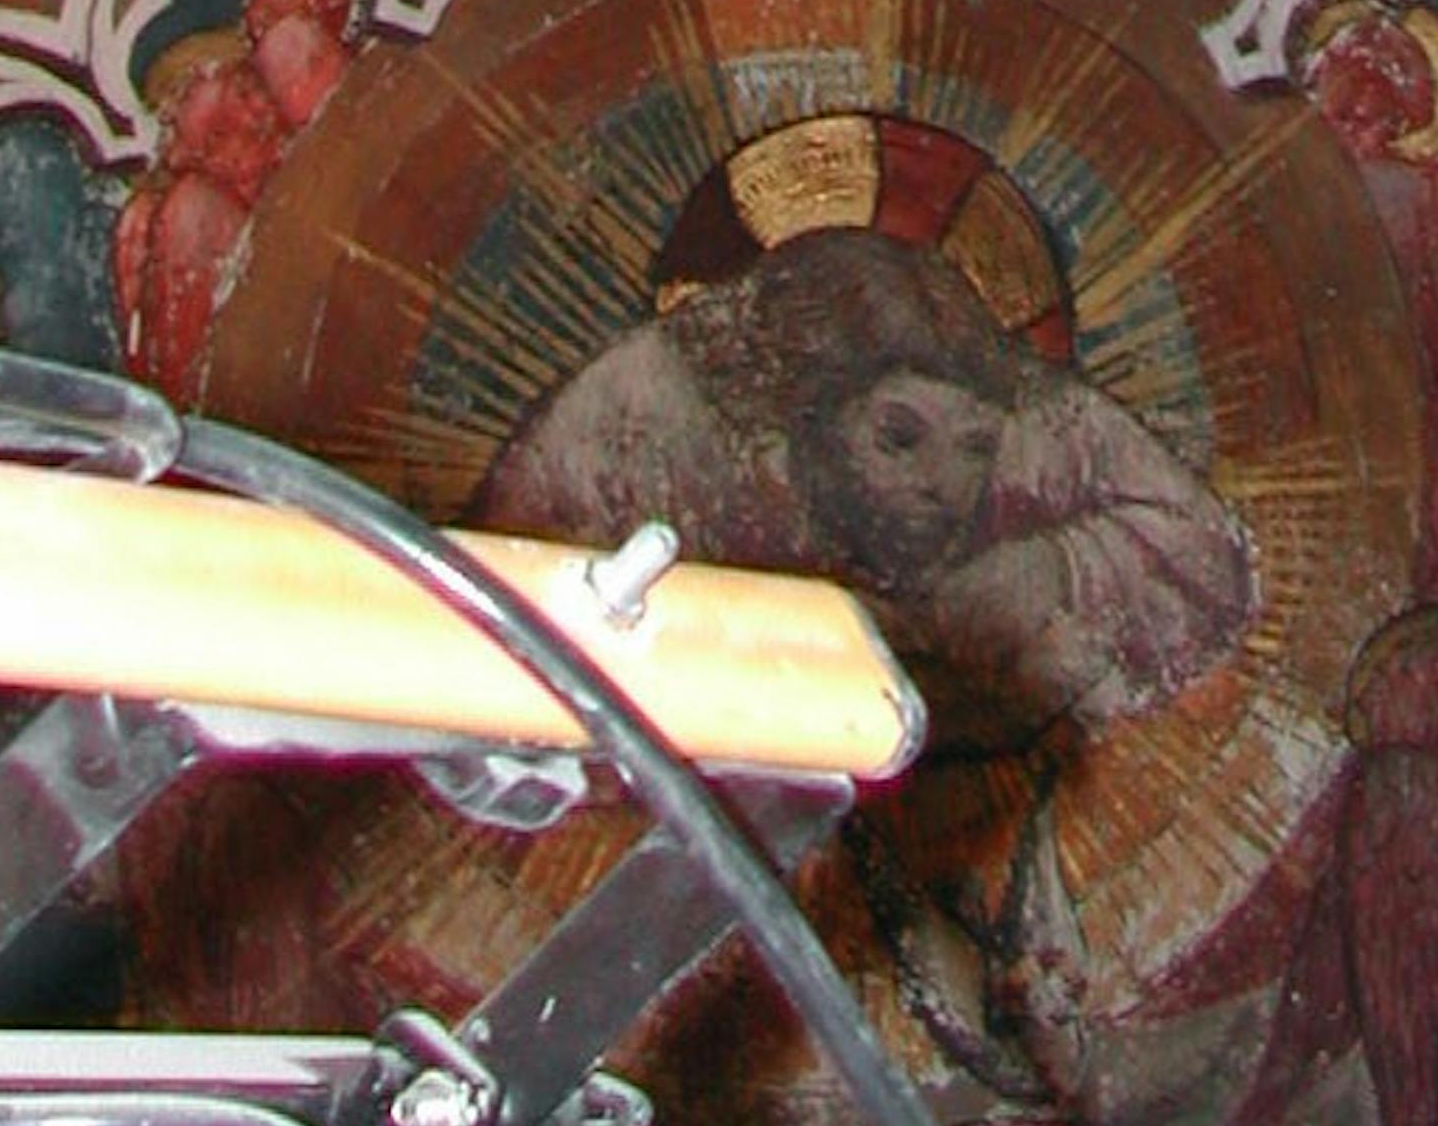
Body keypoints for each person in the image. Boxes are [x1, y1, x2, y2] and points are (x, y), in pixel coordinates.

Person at [487, 224, 1251, 751]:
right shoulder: (647, 416)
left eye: (975, 446)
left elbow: (1204, 548)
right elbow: (497, 630)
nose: (942, 485)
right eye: (897, 436)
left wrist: (1061, 566)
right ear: (806, 413)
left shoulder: (1035, 414)